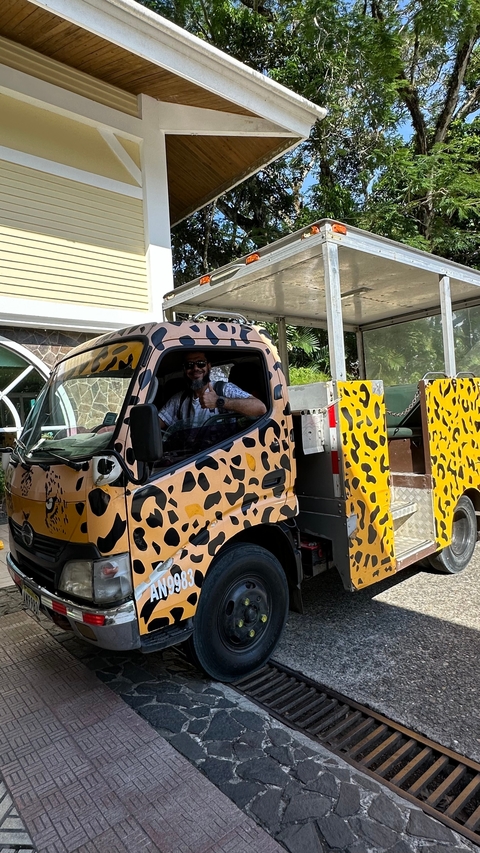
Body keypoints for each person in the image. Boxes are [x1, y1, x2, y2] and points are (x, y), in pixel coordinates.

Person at [158, 351, 266, 433]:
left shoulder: (223, 389)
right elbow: (156, 424)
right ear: (185, 370)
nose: (195, 368)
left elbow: (260, 408)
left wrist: (220, 401)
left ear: (209, 366)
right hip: (189, 459)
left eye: (200, 363)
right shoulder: (179, 400)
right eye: (189, 365)